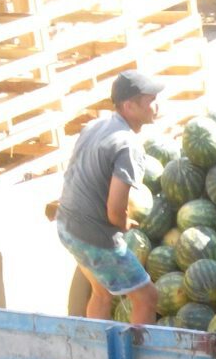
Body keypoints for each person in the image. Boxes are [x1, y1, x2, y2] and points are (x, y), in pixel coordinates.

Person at [56, 69, 162, 324]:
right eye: (150, 100)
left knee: (101, 292)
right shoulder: (128, 145)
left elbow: (72, 173)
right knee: (147, 298)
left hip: (66, 226)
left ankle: (99, 354)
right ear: (129, 106)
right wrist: (123, 224)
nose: (156, 105)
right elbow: (115, 211)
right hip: (92, 236)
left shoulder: (96, 125)